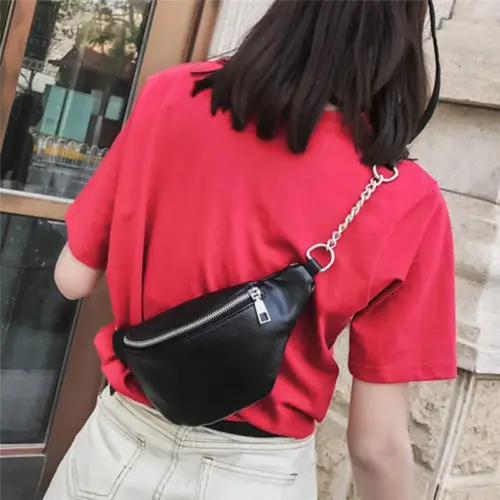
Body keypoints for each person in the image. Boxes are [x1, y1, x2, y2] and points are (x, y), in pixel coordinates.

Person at [45, 1, 456, 499]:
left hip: (114, 451)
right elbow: (375, 446)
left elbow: (72, 278)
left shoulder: (172, 95)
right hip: (256, 477)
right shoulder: (408, 198)